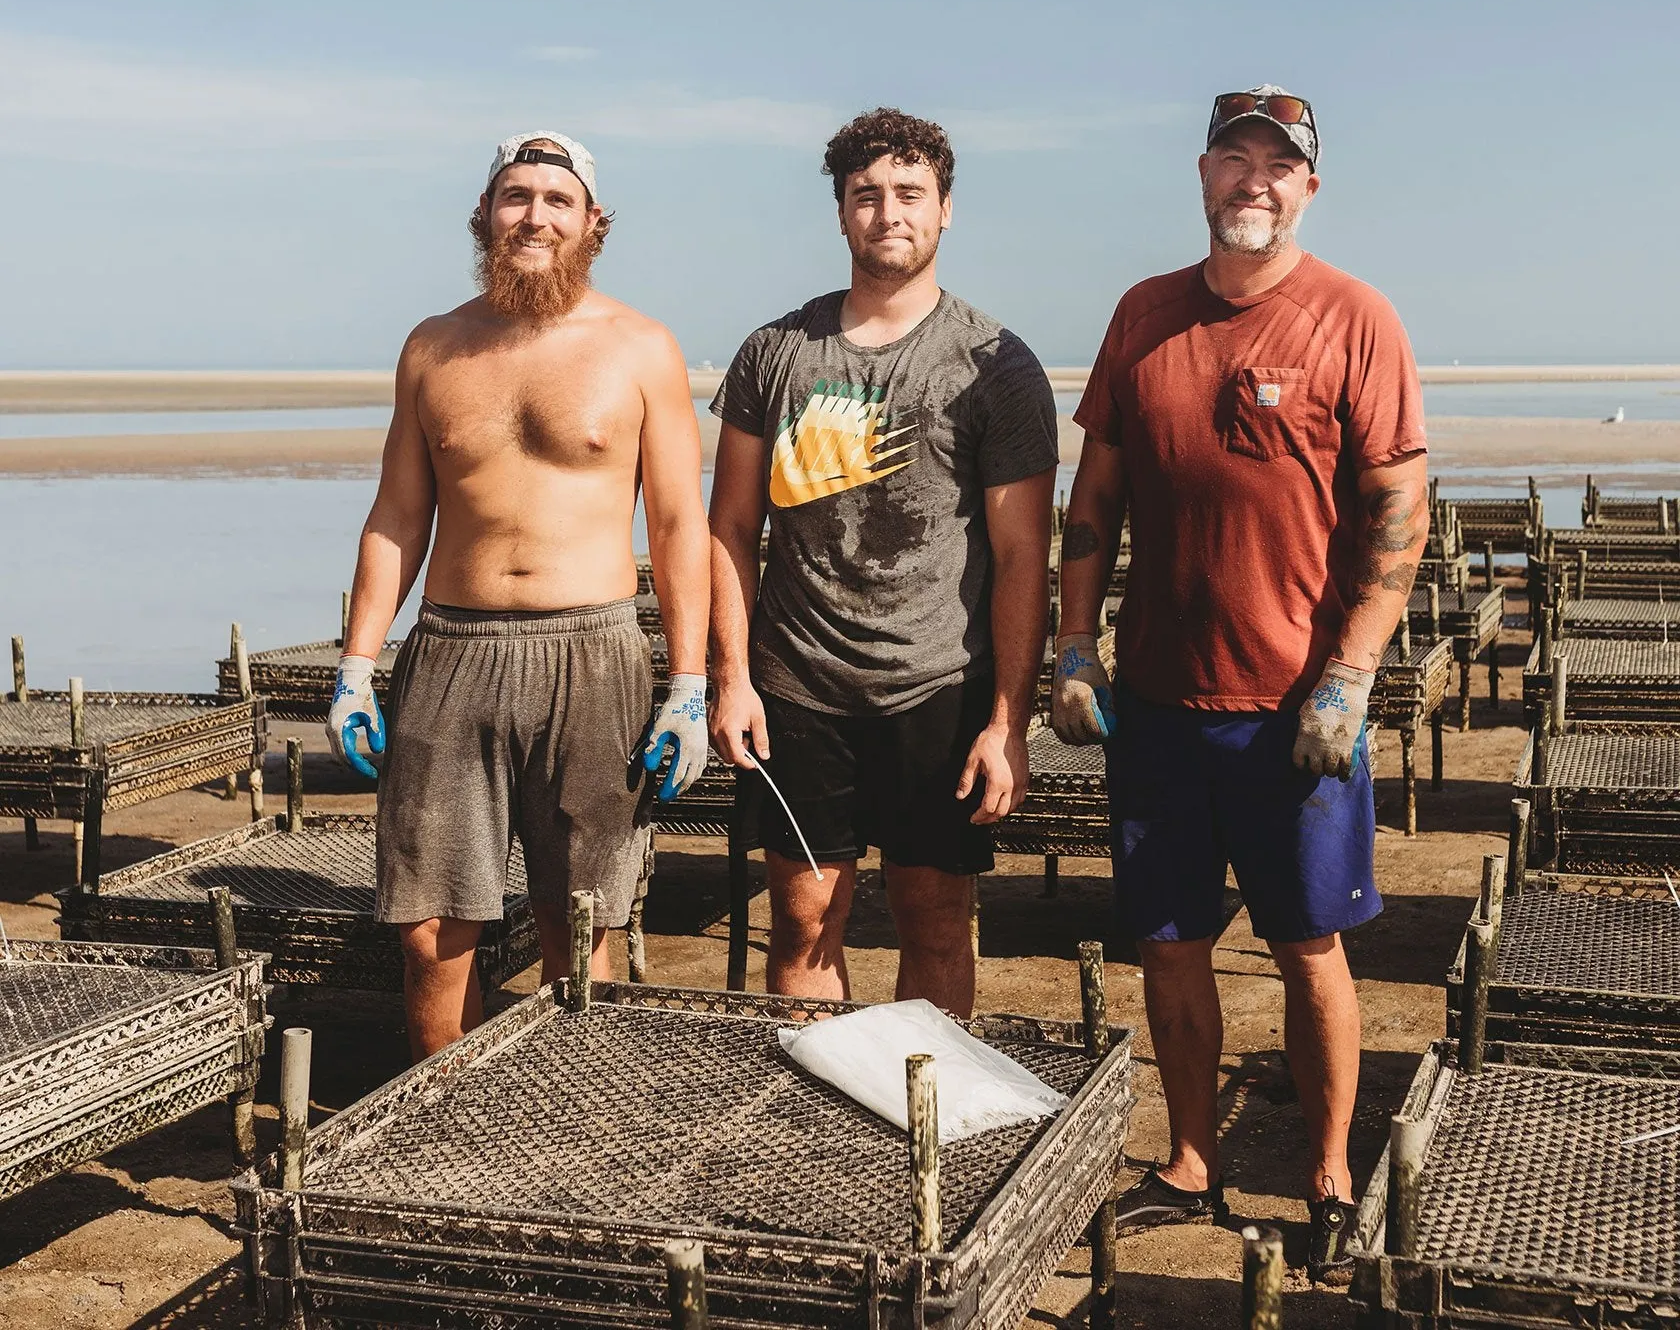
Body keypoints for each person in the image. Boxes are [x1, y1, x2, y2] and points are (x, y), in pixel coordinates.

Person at [1052, 86, 1428, 1281]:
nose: (1254, 180)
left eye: (1280, 164)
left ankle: (1323, 1171)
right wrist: (1073, 646)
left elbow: (1398, 518)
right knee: (1168, 942)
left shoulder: (1356, 317)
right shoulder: (1144, 316)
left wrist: (1352, 675)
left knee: (1309, 942)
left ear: (1308, 186)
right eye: (1235, 158)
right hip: (1161, 703)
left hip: (1296, 713)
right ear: (1202, 174)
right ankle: (1192, 1157)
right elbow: (1093, 505)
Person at [329, 131, 710, 1058]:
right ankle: (435, 1120)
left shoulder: (641, 347)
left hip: (594, 650)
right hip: (453, 651)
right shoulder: (434, 347)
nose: (533, 215)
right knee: (428, 923)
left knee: (579, 919)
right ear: (485, 218)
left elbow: (677, 527)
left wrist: (689, 683)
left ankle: (566, 1110)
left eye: (556, 199)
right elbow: (396, 518)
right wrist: (355, 666)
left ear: (592, 224)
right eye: (514, 197)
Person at [708, 107, 1058, 1019]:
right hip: (797, 688)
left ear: (946, 211)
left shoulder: (998, 366)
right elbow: (729, 528)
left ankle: (921, 1122)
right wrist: (729, 678)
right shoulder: (774, 354)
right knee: (804, 918)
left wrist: (1007, 722)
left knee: (934, 916)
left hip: (936, 687)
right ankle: (817, 1117)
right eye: (867, 195)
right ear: (840, 214)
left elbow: (1024, 556)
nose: (888, 213)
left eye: (910, 193)